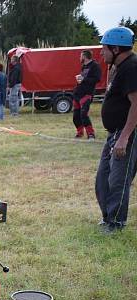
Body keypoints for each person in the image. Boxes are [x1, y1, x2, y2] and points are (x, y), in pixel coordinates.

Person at [95, 26, 137, 234]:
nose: (101, 52)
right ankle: (107, 217)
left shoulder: (131, 67)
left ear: (116, 48)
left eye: (104, 48)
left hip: (127, 132)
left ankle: (116, 223)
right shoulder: (120, 67)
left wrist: (125, 137)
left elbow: (136, 104)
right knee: (103, 177)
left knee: (118, 179)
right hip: (116, 132)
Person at [73, 50, 102, 139]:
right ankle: (80, 132)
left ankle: (91, 134)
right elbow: (83, 78)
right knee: (76, 117)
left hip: (87, 94)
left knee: (84, 115)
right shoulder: (84, 66)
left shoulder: (95, 66)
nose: (80, 58)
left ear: (85, 57)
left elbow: (97, 79)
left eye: (81, 56)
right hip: (78, 93)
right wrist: (80, 80)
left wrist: (83, 79)